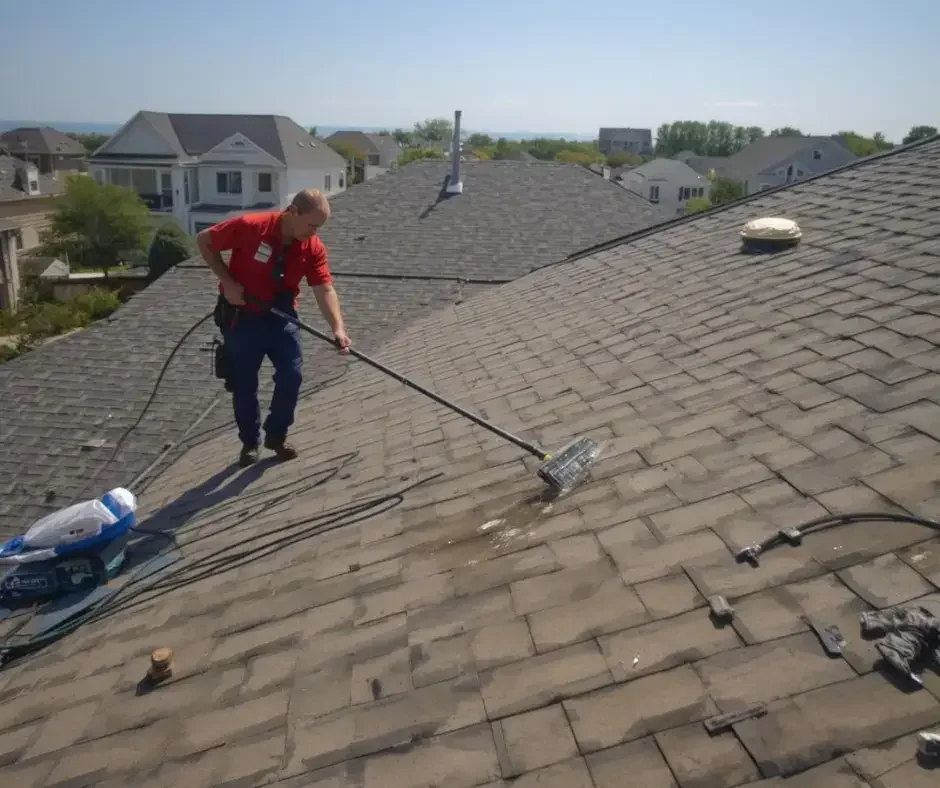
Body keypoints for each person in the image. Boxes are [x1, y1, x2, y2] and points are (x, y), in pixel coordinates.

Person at [196, 189, 351, 467]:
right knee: (244, 384)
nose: (314, 232)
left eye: (319, 227)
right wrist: (228, 283)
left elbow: (324, 288)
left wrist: (338, 329)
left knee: (292, 374)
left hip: (281, 317)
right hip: (242, 318)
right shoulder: (251, 227)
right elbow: (205, 240)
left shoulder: (312, 247)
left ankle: (276, 435)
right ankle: (249, 443)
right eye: (311, 225)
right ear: (292, 212)